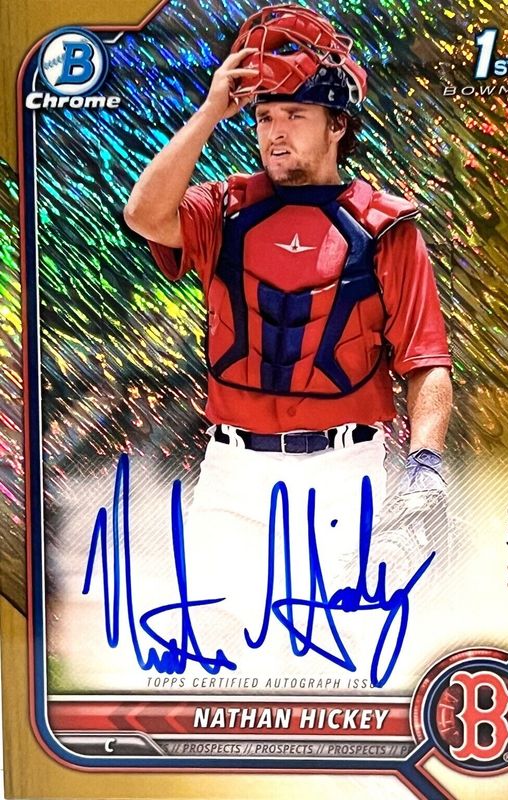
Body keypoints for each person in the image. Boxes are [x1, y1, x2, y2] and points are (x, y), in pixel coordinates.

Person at [123, 6, 452, 619]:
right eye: (265, 117)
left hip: (344, 473)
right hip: (232, 473)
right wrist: (209, 113)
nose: (276, 132)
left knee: (328, 655)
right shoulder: (224, 209)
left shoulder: (385, 228)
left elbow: (425, 360)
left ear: (337, 125)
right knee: (209, 652)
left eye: (296, 115)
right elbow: (144, 215)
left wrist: (426, 461)